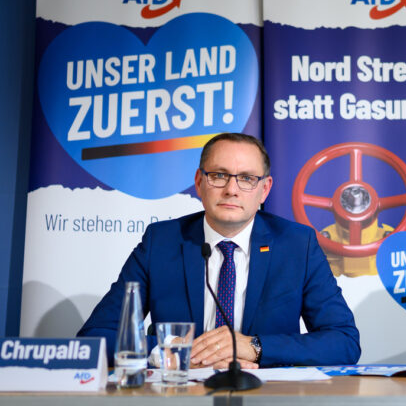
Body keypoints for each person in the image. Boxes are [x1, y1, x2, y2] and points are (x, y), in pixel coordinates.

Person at [78, 133, 361, 368]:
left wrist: (255, 347)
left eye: (247, 178)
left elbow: (343, 342)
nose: (231, 190)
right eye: (219, 175)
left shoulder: (297, 244)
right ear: (200, 183)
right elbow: (95, 337)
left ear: (264, 190)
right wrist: (172, 350)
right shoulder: (160, 242)